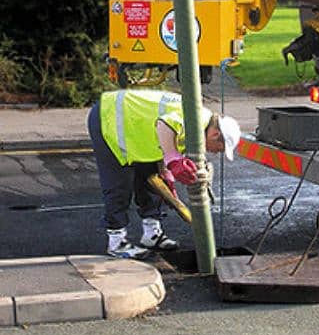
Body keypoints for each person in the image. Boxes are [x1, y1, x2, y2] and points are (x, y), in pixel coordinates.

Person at [87, 88, 241, 259]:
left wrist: (166, 171)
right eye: (219, 149)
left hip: (133, 126)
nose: (215, 153)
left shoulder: (200, 126)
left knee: (152, 179)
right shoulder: (197, 119)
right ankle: (117, 242)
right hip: (109, 118)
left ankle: (151, 234)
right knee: (119, 185)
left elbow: (168, 139)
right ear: (215, 134)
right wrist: (173, 160)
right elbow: (165, 124)